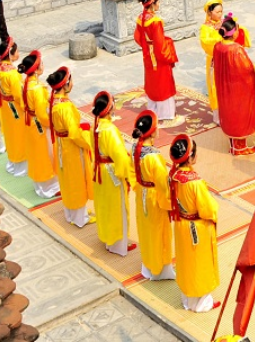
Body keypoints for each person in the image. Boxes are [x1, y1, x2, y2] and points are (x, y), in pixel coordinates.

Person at [168, 134, 220, 312]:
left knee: (185, 262)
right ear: (190, 158)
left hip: (181, 223)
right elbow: (208, 208)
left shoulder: (173, 175)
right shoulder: (194, 182)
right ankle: (201, 303)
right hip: (195, 228)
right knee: (199, 264)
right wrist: (213, 212)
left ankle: (187, 300)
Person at [132, 111, 176, 280]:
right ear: (152, 132)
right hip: (153, 197)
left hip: (142, 193)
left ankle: (148, 264)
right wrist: (170, 203)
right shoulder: (154, 157)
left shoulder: (136, 149)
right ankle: (160, 269)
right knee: (160, 232)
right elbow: (163, 184)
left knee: (146, 231)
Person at [47, 67, 94, 228]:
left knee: (66, 178)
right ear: (66, 85)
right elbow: (74, 133)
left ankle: (70, 214)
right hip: (71, 146)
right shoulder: (65, 107)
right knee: (76, 179)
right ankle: (80, 217)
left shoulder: (54, 101)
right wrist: (87, 140)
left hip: (61, 145)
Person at [91, 90, 135, 256]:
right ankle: (118, 245)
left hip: (99, 171)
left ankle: (108, 239)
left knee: (104, 207)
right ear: (109, 109)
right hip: (111, 174)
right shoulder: (109, 130)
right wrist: (126, 175)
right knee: (117, 209)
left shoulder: (95, 126)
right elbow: (120, 157)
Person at [212, 17, 255, 156]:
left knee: (229, 113)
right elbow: (246, 68)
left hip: (224, 86)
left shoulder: (217, 46)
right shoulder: (236, 49)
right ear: (233, 33)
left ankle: (233, 144)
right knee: (239, 114)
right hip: (237, 88)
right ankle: (240, 148)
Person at [18, 51, 60, 198]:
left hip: (30, 122)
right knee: (45, 154)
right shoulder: (37, 89)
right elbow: (42, 114)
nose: (43, 66)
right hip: (39, 125)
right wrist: (52, 123)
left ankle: (40, 186)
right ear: (35, 69)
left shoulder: (24, 83)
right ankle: (49, 188)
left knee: (35, 153)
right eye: (41, 64)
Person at [134, 0, 179, 120]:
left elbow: (137, 37)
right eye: (158, 2)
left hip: (148, 54)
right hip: (158, 56)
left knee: (152, 81)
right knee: (163, 83)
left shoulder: (140, 17)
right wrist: (169, 57)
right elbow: (160, 43)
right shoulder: (155, 21)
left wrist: (146, 46)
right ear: (153, 4)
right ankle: (166, 113)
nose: (159, 4)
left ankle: (153, 109)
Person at [0, 38, 28, 177]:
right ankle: (21, 166)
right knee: (19, 135)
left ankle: (13, 162)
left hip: (6, 107)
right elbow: (18, 95)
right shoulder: (12, 74)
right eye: (17, 51)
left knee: (10, 134)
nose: (18, 53)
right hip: (15, 108)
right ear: (10, 54)